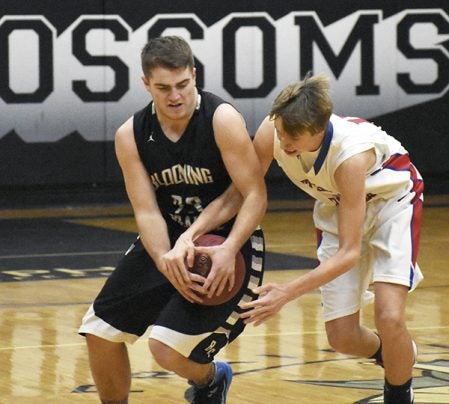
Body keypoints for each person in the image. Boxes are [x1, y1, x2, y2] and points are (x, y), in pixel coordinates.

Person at [78, 35, 266, 404]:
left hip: (227, 243)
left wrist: (229, 248)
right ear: (146, 84)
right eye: (163, 88)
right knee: (99, 331)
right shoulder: (130, 135)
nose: (175, 96)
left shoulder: (221, 119)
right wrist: (167, 262)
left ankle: (211, 379)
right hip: (167, 239)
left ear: (194, 75)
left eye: (183, 85)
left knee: (165, 349)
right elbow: (147, 212)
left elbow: (254, 195)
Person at [235, 74, 422, 403]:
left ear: (320, 128)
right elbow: (246, 190)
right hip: (339, 207)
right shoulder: (272, 131)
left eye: (293, 136)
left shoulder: (350, 157)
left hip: (391, 205)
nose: (284, 142)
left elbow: (349, 253)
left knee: (389, 316)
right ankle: (394, 351)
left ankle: (398, 391)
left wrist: (286, 293)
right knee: (342, 338)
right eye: (280, 131)